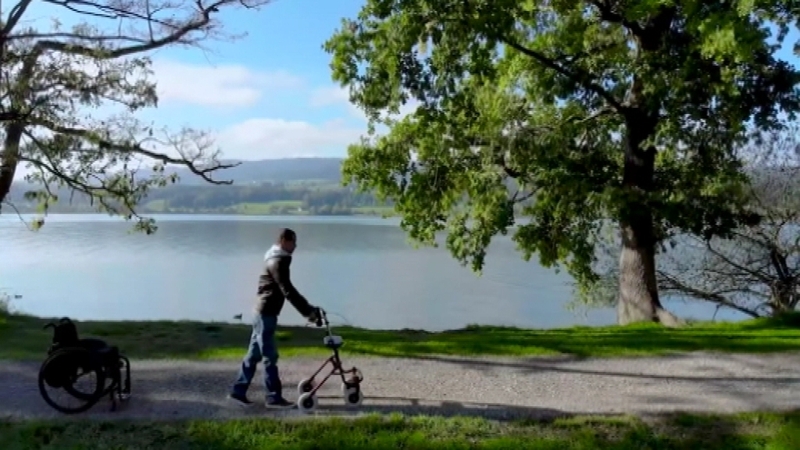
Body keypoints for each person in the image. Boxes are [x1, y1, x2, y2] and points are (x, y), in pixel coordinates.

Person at [228, 227, 320, 408]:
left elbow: (285, 289)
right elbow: (288, 290)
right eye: (293, 242)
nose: (295, 246)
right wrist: (308, 311)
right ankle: (273, 397)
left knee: (253, 354)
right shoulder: (278, 261)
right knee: (270, 355)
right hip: (265, 313)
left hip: (262, 312)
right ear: (284, 241)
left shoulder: (275, 258)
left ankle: (237, 392)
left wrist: (307, 310)